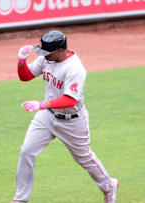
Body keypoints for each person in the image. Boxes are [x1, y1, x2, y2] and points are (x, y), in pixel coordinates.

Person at [11, 30, 118, 203]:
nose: (44, 56)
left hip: (72, 120)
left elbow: (70, 99)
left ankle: (109, 185)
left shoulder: (75, 68)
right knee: (27, 151)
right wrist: (21, 61)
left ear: (60, 50)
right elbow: (25, 77)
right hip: (47, 116)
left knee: (84, 158)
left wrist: (41, 104)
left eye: (48, 53)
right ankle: (20, 199)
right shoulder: (47, 59)